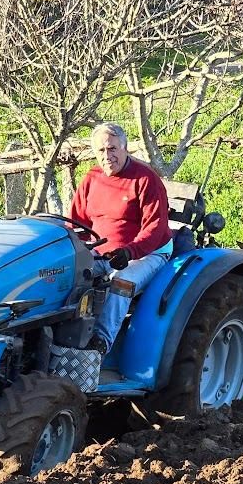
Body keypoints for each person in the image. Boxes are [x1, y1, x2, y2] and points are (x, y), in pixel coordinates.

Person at [69, 122, 173, 355]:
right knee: (67, 275)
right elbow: (77, 223)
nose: (107, 156)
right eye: (101, 151)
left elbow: (154, 229)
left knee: (120, 281)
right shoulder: (92, 178)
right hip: (102, 249)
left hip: (148, 252)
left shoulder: (146, 179)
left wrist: (129, 252)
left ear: (124, 147)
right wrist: (79, 251)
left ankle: (100, 344)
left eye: (112, 149)